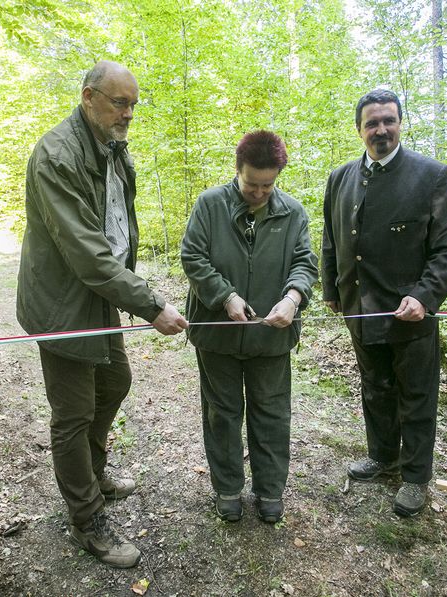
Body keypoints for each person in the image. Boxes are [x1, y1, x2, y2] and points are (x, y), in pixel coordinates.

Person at [16, 60, 188, 568]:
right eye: (119, 102)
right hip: (63, 302)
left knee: (113, 382)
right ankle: (87, 519)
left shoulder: (112, 147)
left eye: (134, 104)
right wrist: (152, 304)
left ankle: (92, 474)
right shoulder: (57, 154)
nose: (128, 113)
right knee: (73, 414)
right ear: (89, 97)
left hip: (100, 296)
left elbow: (116, 226)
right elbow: (87, 251)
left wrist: (127, 290)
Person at [321, 89, 447, 517]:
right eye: (371, 122)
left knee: (416, 395)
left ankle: (416, 477)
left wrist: (424, 297)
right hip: (360, 309)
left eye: (388, 120)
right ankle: (383, 457)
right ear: (359, 129)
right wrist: (333, 290)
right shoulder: (340, 178)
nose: (380, 129)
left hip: (411, 314)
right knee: (375, 388)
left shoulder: (432, 175)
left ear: (400, 123)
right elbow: (331, 240)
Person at [181, 130, 318, 523]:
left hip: (271, 336)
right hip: (216, 334)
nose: (258, 193)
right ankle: (227, 489)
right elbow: (192, 256)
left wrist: (293, 299)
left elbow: (305, 264)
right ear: (237, 170)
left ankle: (270, 489)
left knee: (272, 412)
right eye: (250, 184)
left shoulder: (293, 212)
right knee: (221, 413)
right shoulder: (209, 204)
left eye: (267, 185)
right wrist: (225, 296)